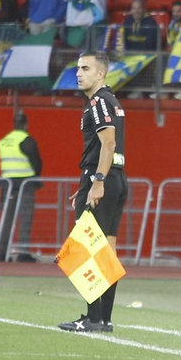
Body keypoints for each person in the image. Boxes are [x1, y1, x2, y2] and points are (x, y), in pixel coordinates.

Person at [58, 53, 130, 332]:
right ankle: (103, 319)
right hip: (117, 178)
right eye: (77, 68)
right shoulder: (112, 100)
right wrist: (88, 185)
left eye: (85, 68)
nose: (79, 73)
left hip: (103, 178)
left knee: (88, 249)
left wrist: (96, 181)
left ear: (100, 74)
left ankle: (91, 317)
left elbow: (108, 143)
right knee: (106, 251)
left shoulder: (99, 101)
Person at [0, 109, 43, 262]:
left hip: (8, 186)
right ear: (26, 125)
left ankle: (1, 253)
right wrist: (36, 178)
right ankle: (22, 253)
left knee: (6, 221)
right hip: (25, 185)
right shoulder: (27, 140)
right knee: (25, 220)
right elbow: (37, 163)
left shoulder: (3, 141)